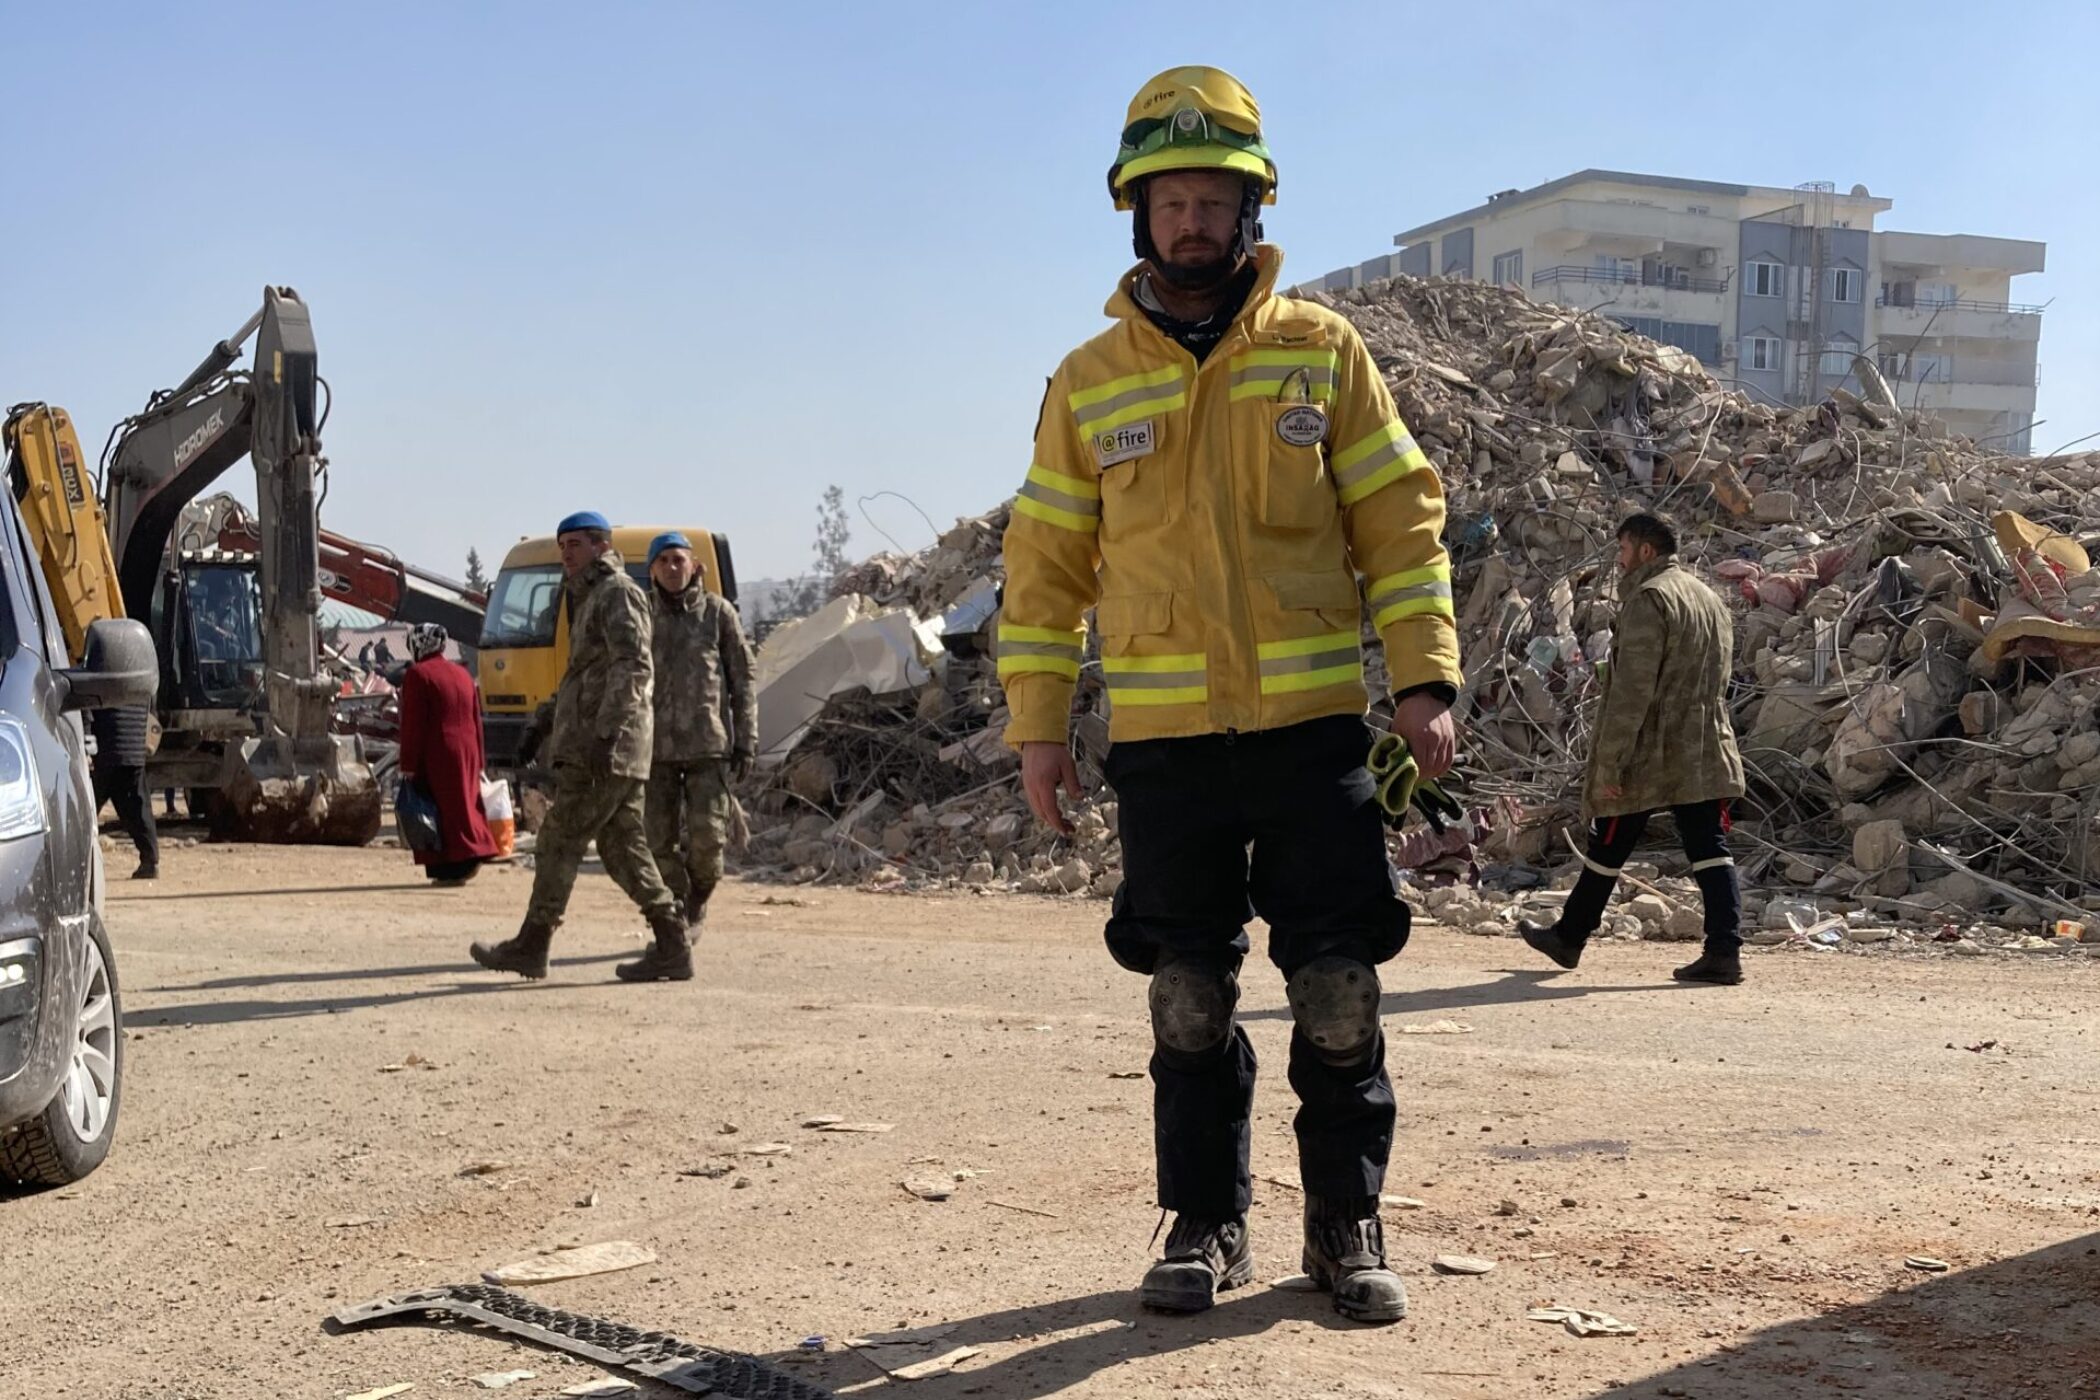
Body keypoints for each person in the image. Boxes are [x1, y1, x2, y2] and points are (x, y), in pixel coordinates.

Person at [998, 67, 1462, 1325]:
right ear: (1135, 216)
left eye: (1216, 199)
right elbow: (1043, 571)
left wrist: (1422, 675)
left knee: (1338, 986)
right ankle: (1204, 1217)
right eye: (1172, 202)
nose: (1193, 222)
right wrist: (1040, 726)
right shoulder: (1089, 379)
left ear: (1254, 210)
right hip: (1166, 746)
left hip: (1311, 735)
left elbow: (1399, 521)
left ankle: (1343, 1219)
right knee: (1188, 997)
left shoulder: (1324, 353)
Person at [1518, 512, 1748, 985]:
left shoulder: (1650, 598)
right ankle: (1723, 949)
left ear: (1645, 551)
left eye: (1622, 550)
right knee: (1707, 845)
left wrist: (1612, 760)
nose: (1618, 561)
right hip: (1705, 740)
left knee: (1612, 835)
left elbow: (1632, 692)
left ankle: (1570, 936)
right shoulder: (1708, 597)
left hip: (1653, 747)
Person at [470, 511, 690, 983]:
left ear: (601, 546)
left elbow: (633, 668)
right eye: (562, 545)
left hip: (606, 749)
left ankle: (533, 944)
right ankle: (673, 942)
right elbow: (581, 677)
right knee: (623, 848)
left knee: (558, 840)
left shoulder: (617, 594)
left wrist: (606, 734)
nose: (565, 554)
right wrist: (541, 723)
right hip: (608, 747)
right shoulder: (587, 598)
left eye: (574, 545)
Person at [643, 532, 755, 930]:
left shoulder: (717, 613)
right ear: (652, 569)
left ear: (693, 565)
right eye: (664, 561)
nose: (673, 568)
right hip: (654, 750)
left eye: (679, 560)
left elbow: (742, 679)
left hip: (709, 746)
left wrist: (746, 741)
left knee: (709, 841)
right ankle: (677, 912)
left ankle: (698, 897)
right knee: (658, 843)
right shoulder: (642, 616)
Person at [395, 623, 499, 885]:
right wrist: (481, 759)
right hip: (468, 749)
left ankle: (451, 866)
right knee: (465, 806)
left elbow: (413, 724)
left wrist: (408, 763)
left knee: (443, 811)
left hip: (439, 751)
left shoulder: (418, 674)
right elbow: (477, 718)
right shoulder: (463, 673)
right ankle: (473, 854)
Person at [90, 705, 158, 880]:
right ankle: (150, 861)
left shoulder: (95, 678)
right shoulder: (138, 678)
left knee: (85, 810)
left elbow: (85, 711)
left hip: (104, 751)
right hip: (134, 749)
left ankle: (74, 860)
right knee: (139, 809)